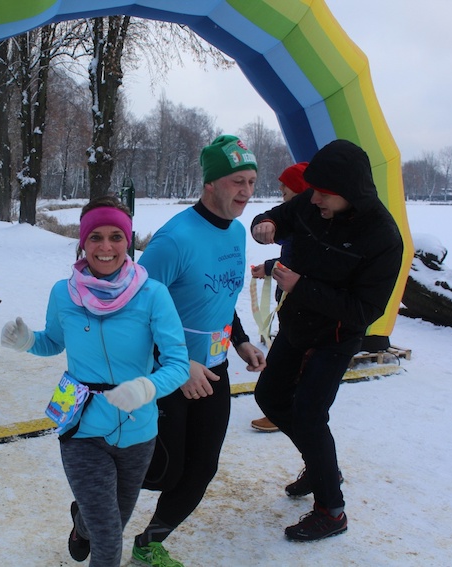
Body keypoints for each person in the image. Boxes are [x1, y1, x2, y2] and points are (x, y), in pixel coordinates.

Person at [0, 196, 189, 567]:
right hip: (81, 426)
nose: (106, 247)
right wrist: (27, 341)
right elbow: (53, 341)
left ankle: (81, 523)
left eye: (116, 237)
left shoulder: (152, 294)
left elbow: (178, 363)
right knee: (108, 536)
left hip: (138, 430)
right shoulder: (63, 292)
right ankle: (89, 523)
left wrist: (146, 387)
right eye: (95, 237)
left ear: (128, 241)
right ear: (83, 242)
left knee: (111, 520)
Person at [251, 139, 403, 541]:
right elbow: (279, 216)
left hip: (335, 336)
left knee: (309, 413)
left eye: (323, 193)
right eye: (313, 190)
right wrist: (266, 224)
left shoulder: (383, 237)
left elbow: (365, 311)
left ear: (349, 192)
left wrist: (301, 286)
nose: (313, 198)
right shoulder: (312, 202)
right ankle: (323, 468)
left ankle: (331, 511)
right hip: (296, 325)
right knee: (269, 397)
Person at [132, 135, 267, 566]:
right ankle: (89, 511)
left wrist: (240, 339)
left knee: (202, 468)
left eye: (251, 182)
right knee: (161, 471)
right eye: (237, 182)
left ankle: (149, 543)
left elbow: (221, 298)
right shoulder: (174, 240)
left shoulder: (237, 233)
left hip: (214, 369)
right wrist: (180, 363)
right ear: (210, 183)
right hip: (168, 372)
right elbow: (134, 311)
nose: (246, 192)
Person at [249, 161, 308, 433]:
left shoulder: (308, 225)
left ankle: (284, 412)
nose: (281, 188)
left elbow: (301, 262)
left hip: (304, 308)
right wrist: (270, 266)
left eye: (287, 184)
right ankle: (282, 408)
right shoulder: (293, 218)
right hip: (290, 305)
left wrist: (275, 268)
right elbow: (291, 256)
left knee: (294, 364)